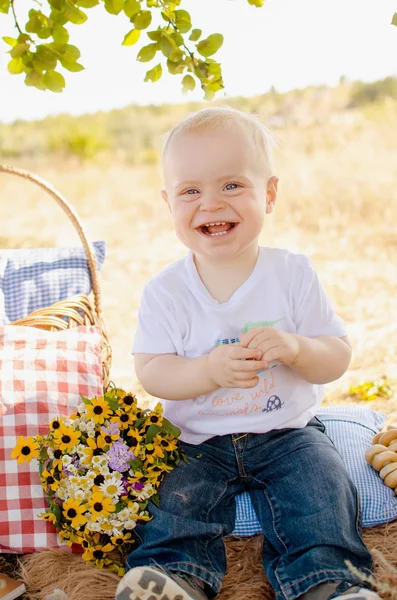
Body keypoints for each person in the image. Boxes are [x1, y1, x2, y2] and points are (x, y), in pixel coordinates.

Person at [116, 107, 381, 600]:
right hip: (197, 439)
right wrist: (207, 369)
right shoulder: (166, 291)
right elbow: (152, 372)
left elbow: (337, 355)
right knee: (173, 501)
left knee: (321, 491)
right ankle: (172, 575)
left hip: (287, 432)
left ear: (270, 194)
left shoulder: (292, 274)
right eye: (190, 191)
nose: (210, 203)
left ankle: (328, 581)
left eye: (232, 185)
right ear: (167, 202)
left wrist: (299, 348)